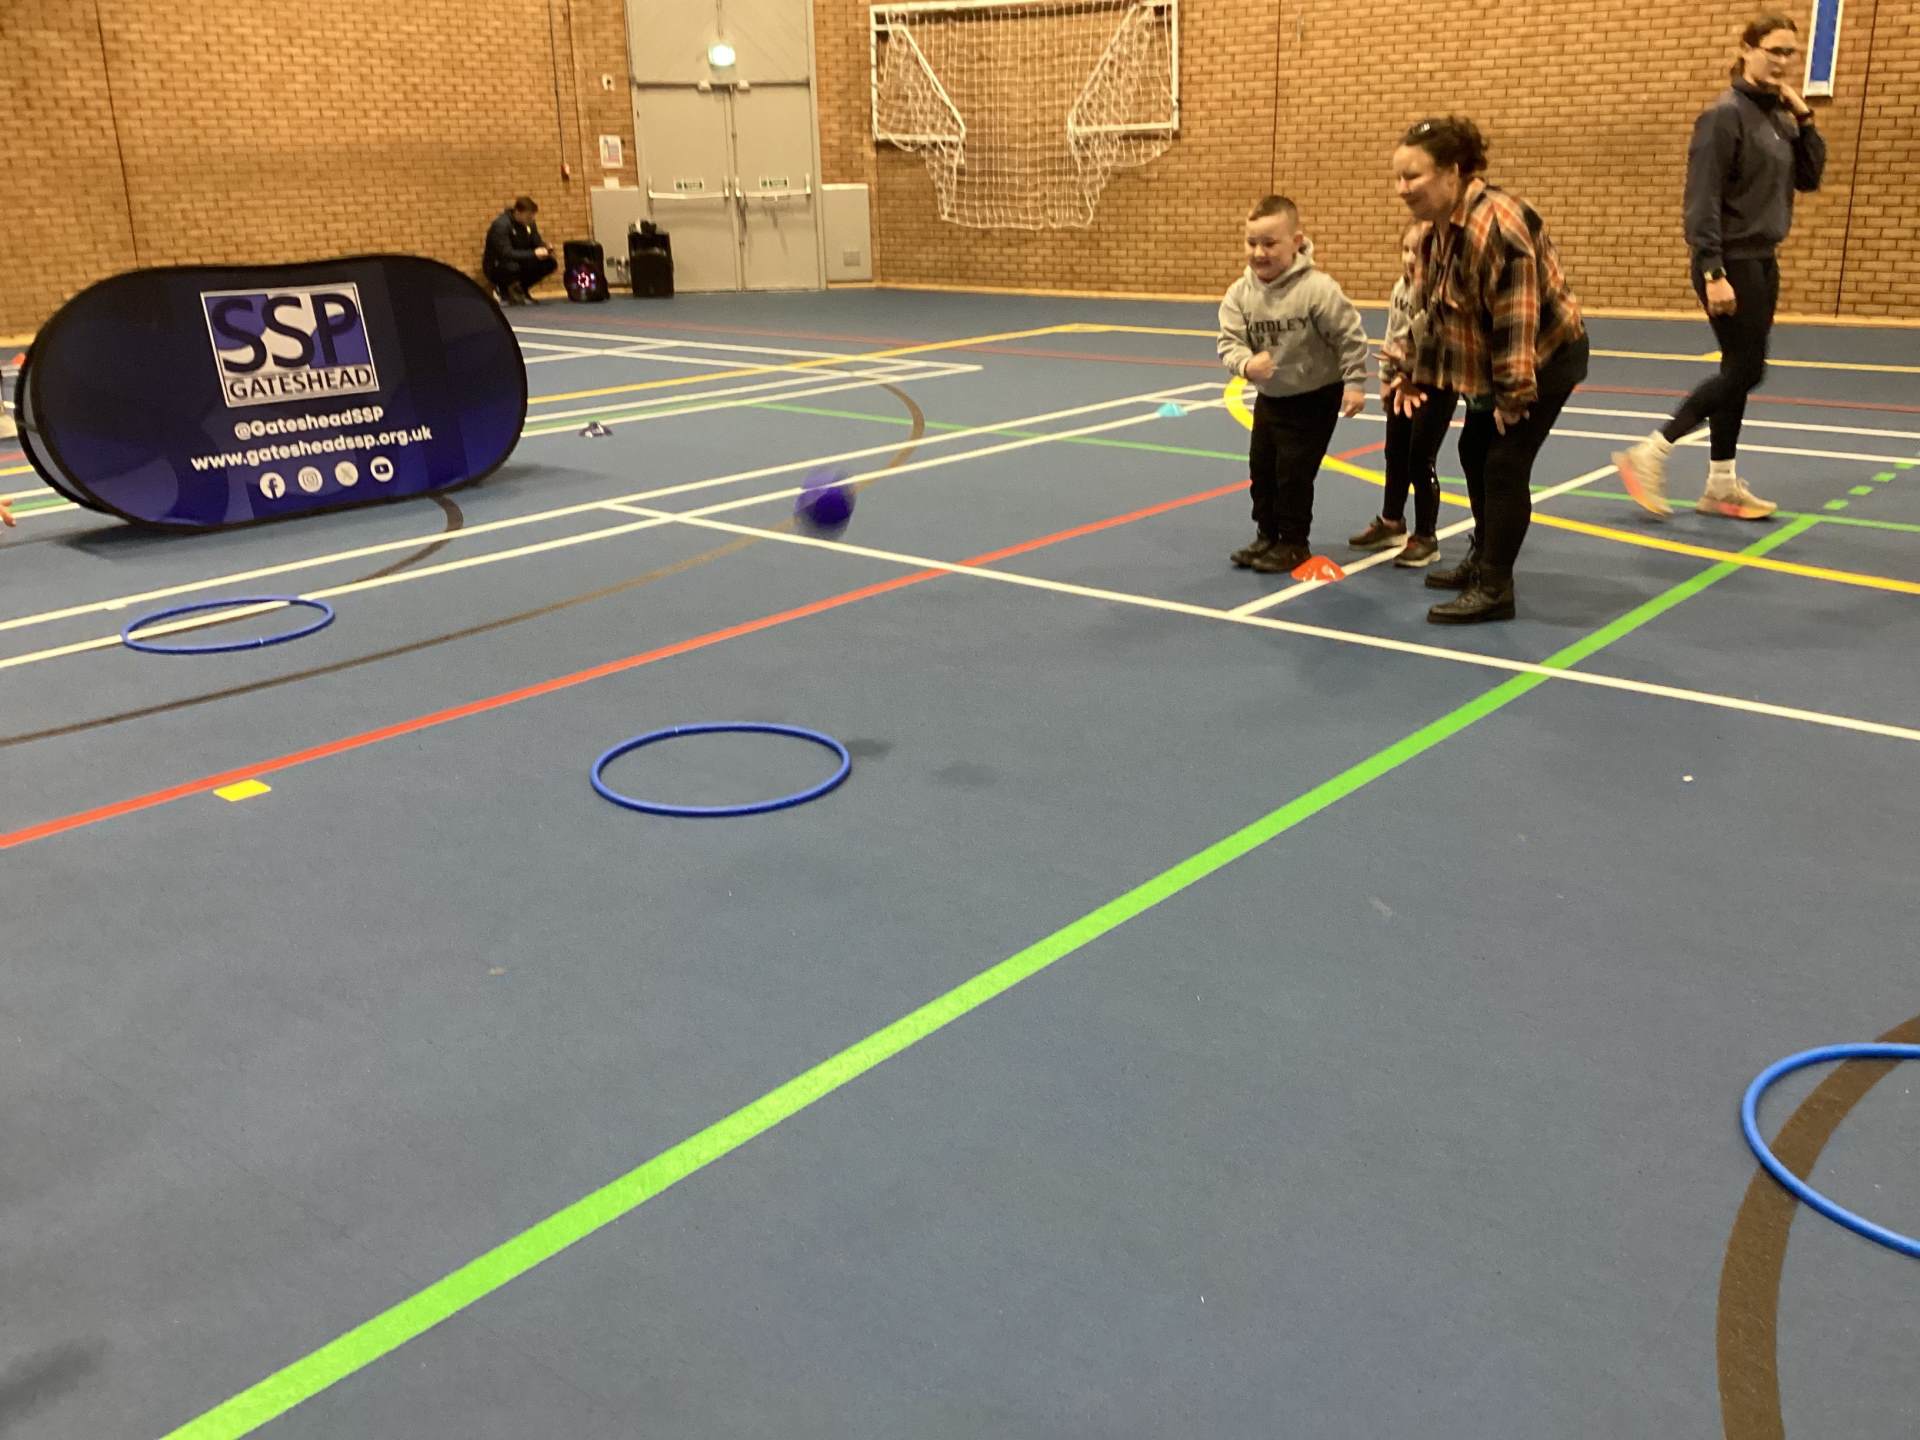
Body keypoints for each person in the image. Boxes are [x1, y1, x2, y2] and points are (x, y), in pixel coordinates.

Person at [1614, 14, 1826, 520]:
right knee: (1748, 369)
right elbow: (1701, 200)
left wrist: (1805, 118)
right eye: (1773, 50)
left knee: (1738, 370)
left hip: (1763, 259)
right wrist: (1713, 271)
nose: (1782, 61)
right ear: (1747, 49)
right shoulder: (1723, 116)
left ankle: (1721, 484)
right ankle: (1652, 451)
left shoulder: (1780, 119)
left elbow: (1810, 176)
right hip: (1729, 261)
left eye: (1790, 53)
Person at [1381, 116, 1590, 624]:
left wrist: (1513, 397)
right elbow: (1432, 312)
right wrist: (1408, 369)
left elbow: (1518, 319)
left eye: (1413, 176)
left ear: (1452, 172)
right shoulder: (1434, 234)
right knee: (1473, 449)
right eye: (1398, 177)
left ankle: (1496, 585)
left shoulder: (1497, 224)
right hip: (1492, 360)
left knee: (1503, 463)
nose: (1402, 188)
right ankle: (1483, 556)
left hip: (1544, 358)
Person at [1217, 194, 1368, 575]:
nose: (1259, 252)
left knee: (1294, 472)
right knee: (1262, 468)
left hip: (1315, 395)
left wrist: (1354, 382)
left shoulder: (1318, 289)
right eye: (1252, 242)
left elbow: (1349, 336)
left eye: (1270, 243)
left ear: (1296, 242)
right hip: (1272, 396)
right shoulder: (1240, 293)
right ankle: (1267, 534)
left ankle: (1294, 542)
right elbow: (1229, 342)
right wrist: (1246, 364)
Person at [1351, 220, 1456, 568]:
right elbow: (1392, 334)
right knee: (1395, 452)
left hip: (1435, 382)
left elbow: (1438, 344)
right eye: (1406, 250)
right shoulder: (1400, 287)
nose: (1411, 258)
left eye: (1420, 253)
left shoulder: (1443, 293)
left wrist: (1408, 372)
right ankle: (1392, 521)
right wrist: (1387, 377)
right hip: (1402, 379)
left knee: (1419, 458)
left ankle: (1426, 537)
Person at [483, 196, 556, 305]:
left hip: (520, 259)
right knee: (512, 266)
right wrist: (533, 253)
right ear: (517, 212)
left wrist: (545, 247)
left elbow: (536, 242)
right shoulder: (501, 225)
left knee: (549, 263)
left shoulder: (530, 224)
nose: (531, 219)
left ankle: (522, 290)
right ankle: (501, 289)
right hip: (498, 265)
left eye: (532, 216)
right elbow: (506, 253)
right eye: (528, 216)